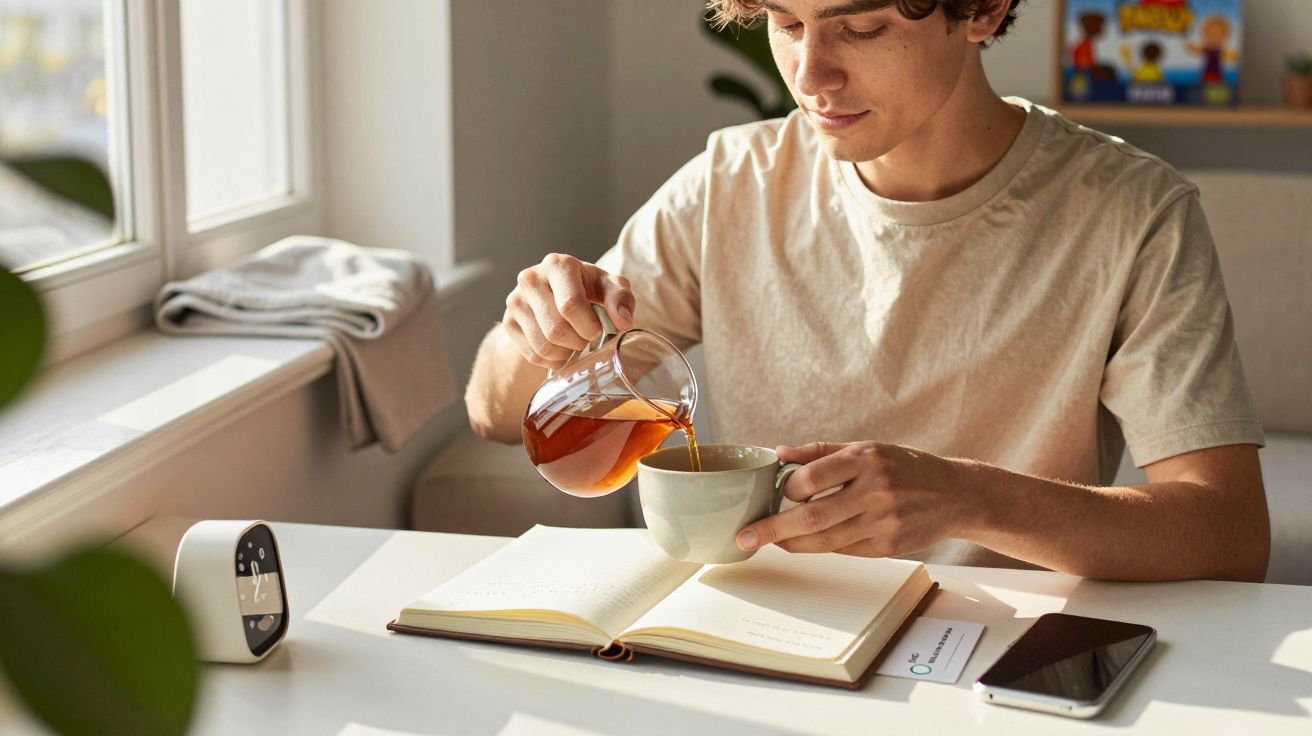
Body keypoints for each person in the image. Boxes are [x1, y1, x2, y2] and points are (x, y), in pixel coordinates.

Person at [465, 0, 1269, 582]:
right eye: (786, 23)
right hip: (764, 641)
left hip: (991, 654)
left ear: (983, 10)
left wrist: (966, 496)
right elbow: (495, 412)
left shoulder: (1132, 212)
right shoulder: (729, 183)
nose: (810, 75)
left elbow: (1227, 530)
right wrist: (530, 331)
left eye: (861, 26)